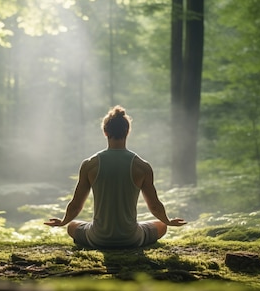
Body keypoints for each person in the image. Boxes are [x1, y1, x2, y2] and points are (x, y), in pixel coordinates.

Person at [44, 105, 186, 248]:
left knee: (72, 226)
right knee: (161, 226)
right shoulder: (142, 166)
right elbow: (154, 206)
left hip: (97, 238)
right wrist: (168, 221)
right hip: (132, 239)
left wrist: (63, 222)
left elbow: (76, 205)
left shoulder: (90, 164)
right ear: (127, 131)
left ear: (105, 132)